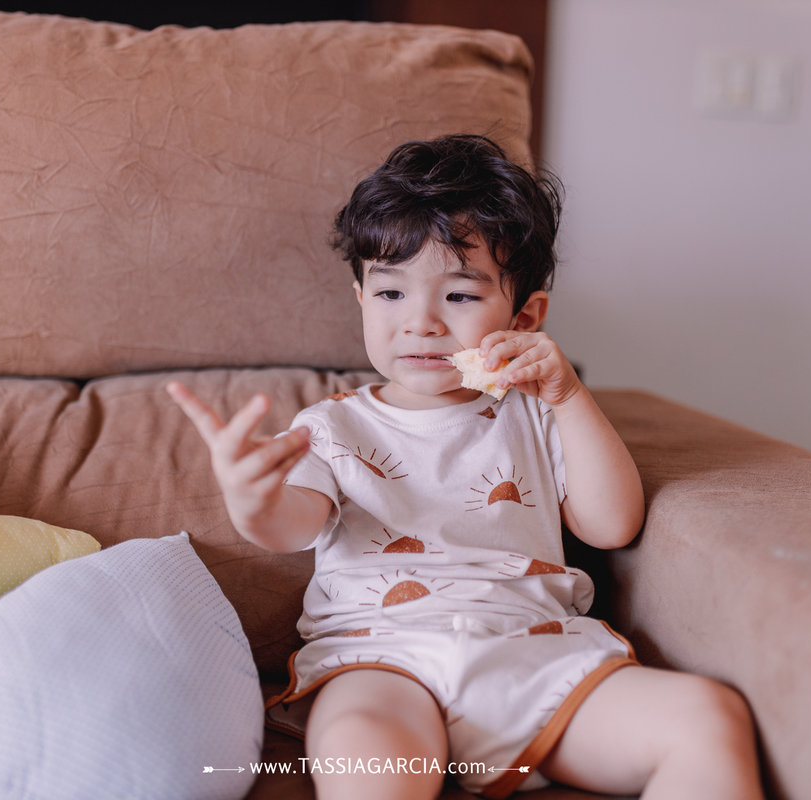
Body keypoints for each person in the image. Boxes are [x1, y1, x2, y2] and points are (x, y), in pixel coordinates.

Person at [167, 135, 763, 800]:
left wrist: (568, 396)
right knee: (365, 752)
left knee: (707, 717)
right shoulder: (331, 428)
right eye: (390, 293)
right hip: (379, 659)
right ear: (360, 298)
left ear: (526, 316)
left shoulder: (539, 414)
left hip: (533, 650)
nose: (419, 323)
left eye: (458, 296)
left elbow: (612, 525)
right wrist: (251, 498)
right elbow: (288, 523)